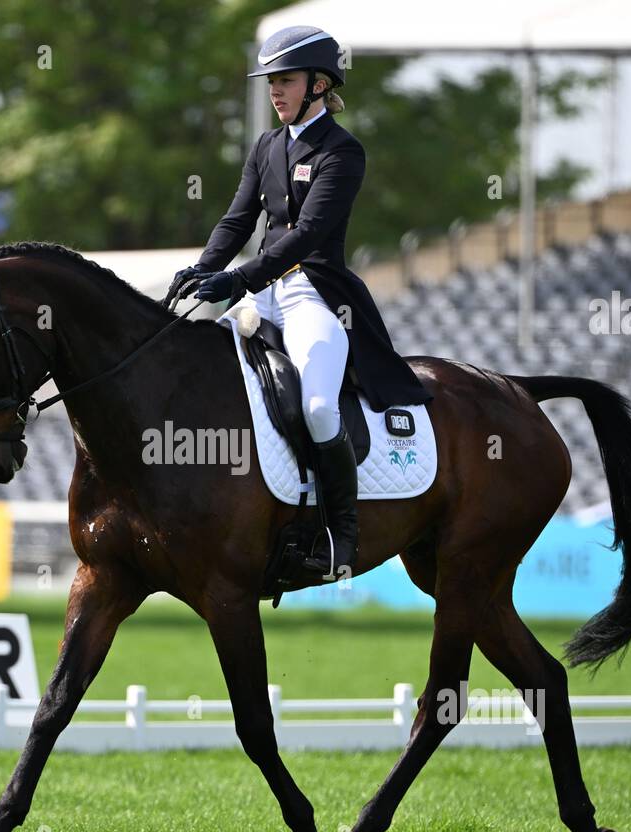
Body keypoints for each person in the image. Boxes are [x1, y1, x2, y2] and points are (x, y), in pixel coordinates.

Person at [166, 25, 432, 581]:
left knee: (316, 406)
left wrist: (236, 281)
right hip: (261, 293)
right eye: (271, 84)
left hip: (315, 296)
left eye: (284, 82)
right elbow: (238, 220)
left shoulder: (342, 151)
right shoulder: (266, 147)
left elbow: (306, 234)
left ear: (318, 84)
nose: (275, 93)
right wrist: (203, 269)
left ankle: (342, 533)